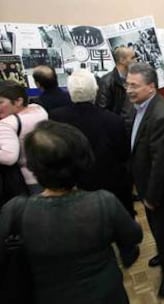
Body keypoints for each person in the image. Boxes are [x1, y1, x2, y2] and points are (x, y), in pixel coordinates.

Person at [0, 120, 143, 304]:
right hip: (105, 293)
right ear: (84, 160)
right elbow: (133, 236)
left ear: (32, 166)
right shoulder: (103, 202)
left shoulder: (15, 211)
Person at [49, 69, 136, 225]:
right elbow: (124, 154)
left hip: (73, 185)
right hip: (110, 186)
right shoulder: (113, 120)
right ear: (96, 91)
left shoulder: (56, 117)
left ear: (69, 92)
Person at [127, 62, 164, 298]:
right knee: (159, 232)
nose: (128, 89)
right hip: (146, 185)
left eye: (134, 85)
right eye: (127, 84)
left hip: (158, 193)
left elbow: (162, 164)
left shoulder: (161, 116)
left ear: (151, 87)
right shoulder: (140, 107)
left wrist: (150, 197)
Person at [0, 80, 48, 194]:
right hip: (47, 172)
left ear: (18, 101)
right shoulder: (39, 109)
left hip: (27, 179)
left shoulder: (7, 124)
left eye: (1, 102)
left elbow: (9, 157)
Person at [96, 46, 137, 135]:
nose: (136, 61)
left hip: (135, 129)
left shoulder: (136, 78)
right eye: (133, 58)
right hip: (117, 132)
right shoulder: (107, 82)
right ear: (122, 60)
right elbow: (103, 112)